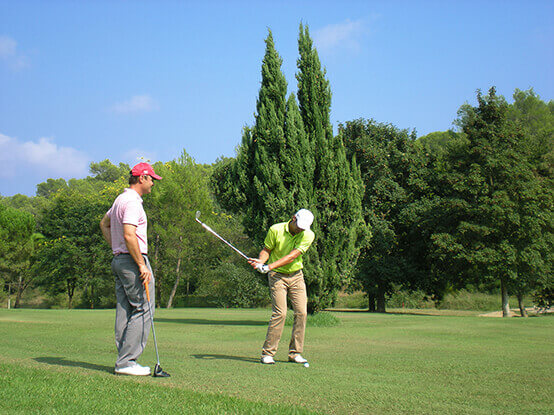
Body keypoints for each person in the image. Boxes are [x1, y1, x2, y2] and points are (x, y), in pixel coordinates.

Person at [99, 162, 162, 376]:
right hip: (132, 260)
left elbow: (104, 224)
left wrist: (115, 248)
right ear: (142, 177)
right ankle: (126, 362)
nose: (153, 183)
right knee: (144, 308)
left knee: (125, 308)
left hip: (120, 260)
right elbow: (129, 234)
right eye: (151, 178)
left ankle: (123, 358)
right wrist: (141, 264)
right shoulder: (133, 202)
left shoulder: (119, 199)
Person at [248, 209, 315, 365]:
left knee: (302, 313)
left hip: (296, 275)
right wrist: (261, 262)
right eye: (299, 226)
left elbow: (292, 256)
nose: (300, 229)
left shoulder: (308, 235)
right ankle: (268, 353)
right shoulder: (275, 229)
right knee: (280, 313)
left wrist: (269, 266)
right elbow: (267, 250)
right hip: (277, 276)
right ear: (293, 219)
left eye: (303, 227)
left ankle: (295, 353)